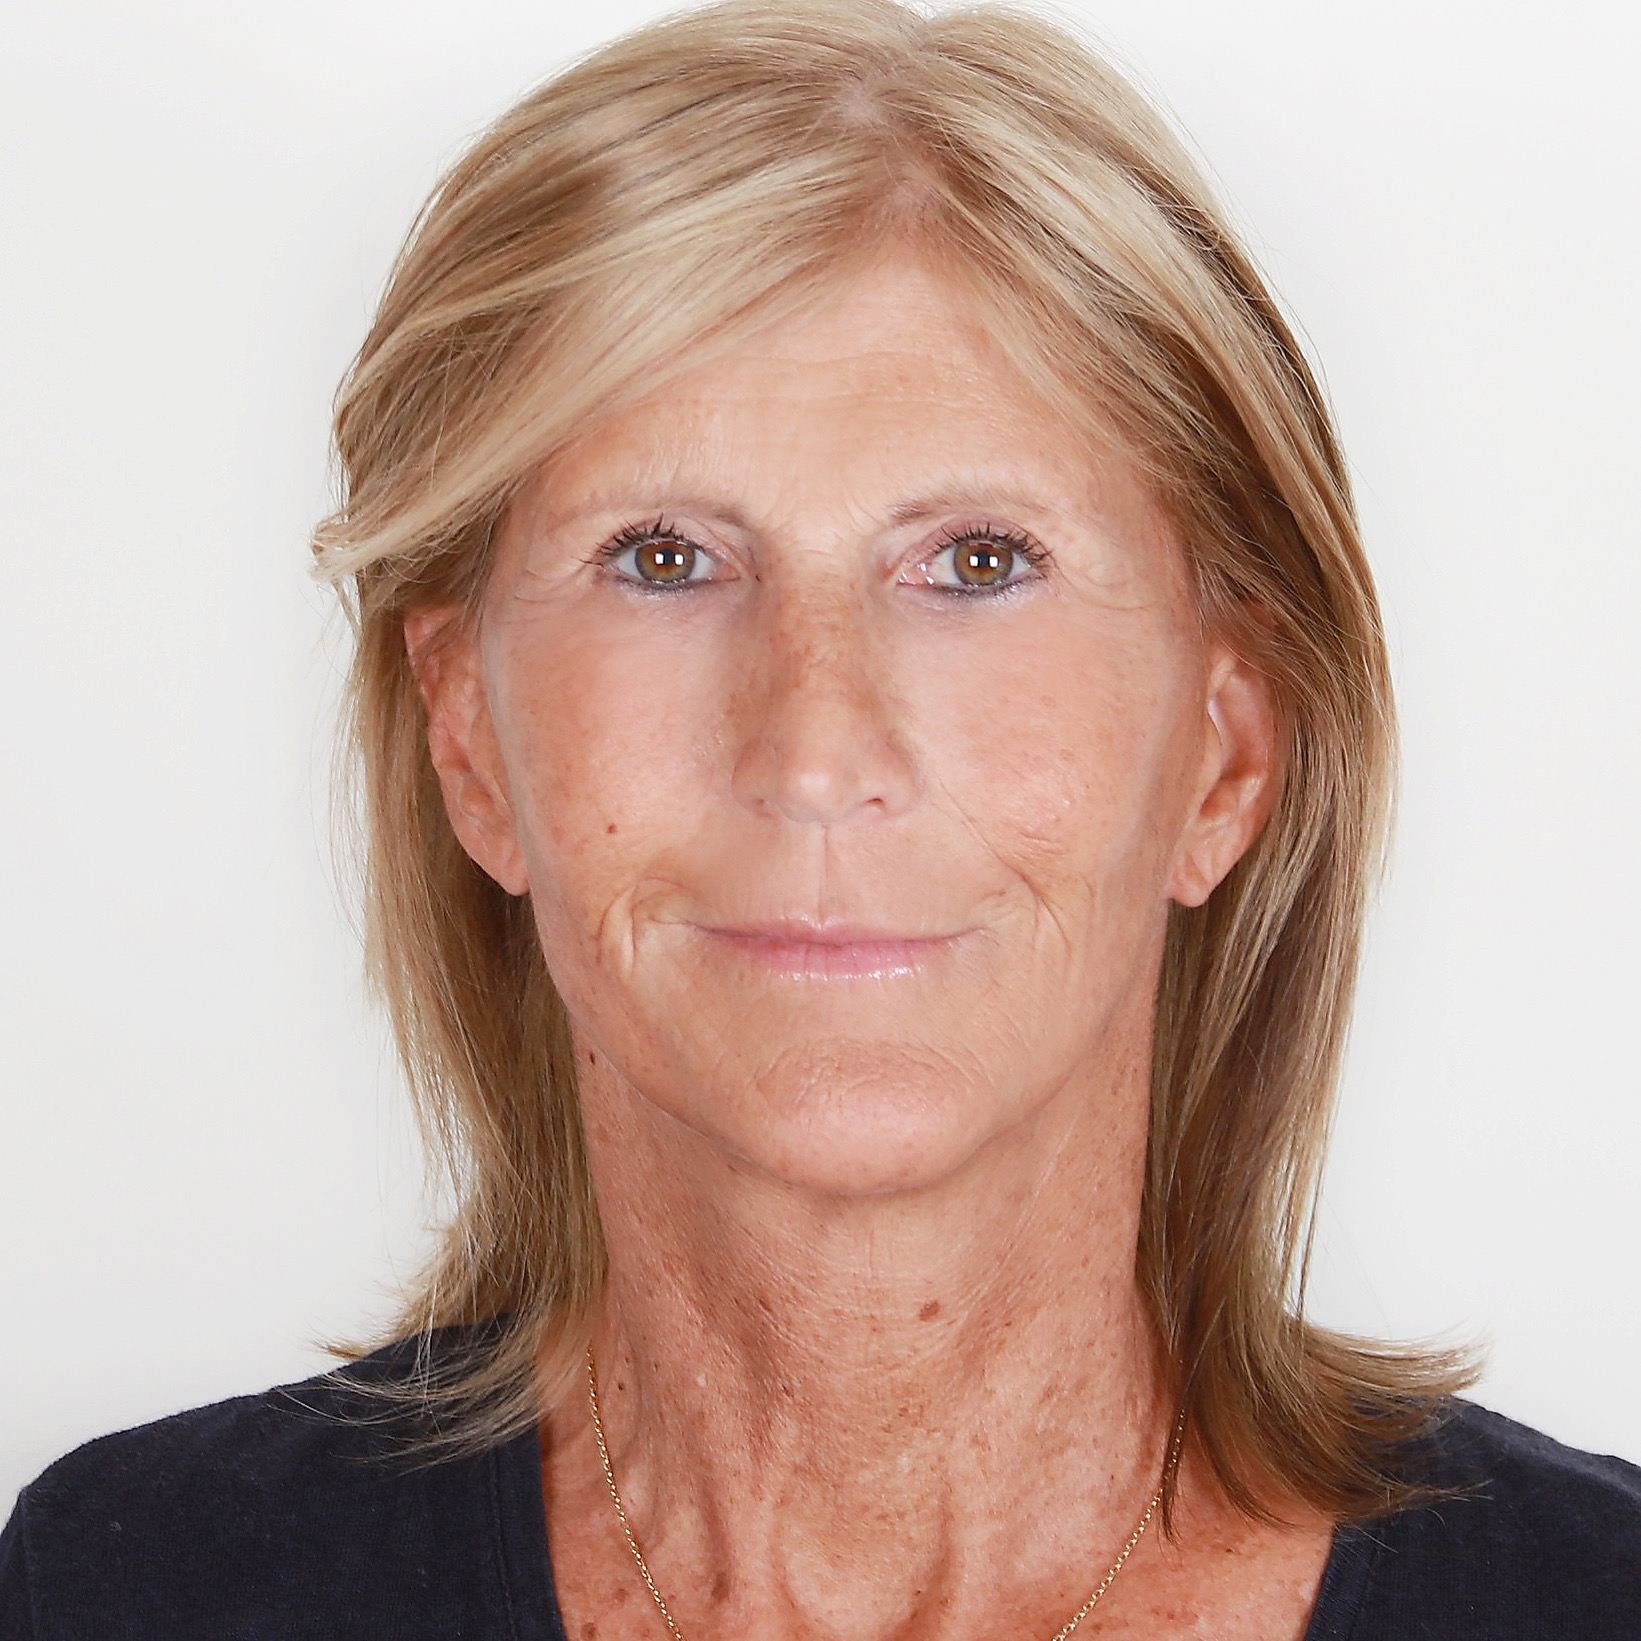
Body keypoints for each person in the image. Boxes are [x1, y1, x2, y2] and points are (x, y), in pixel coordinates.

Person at [3, 1, 1636, 1636]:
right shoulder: (129, 1592)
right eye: (662, 558)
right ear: (469, 742)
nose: (812, 750)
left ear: (1224, 754)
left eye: (977, 562)